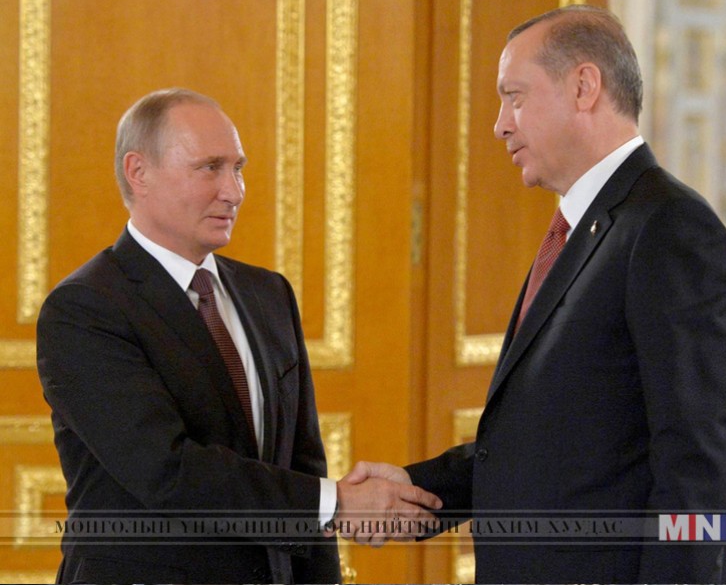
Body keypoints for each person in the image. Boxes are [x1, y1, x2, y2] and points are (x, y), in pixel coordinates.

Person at [342, 5, 726, 584]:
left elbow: (697, 462)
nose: (500, 125)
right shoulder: (584, 228)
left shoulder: (670, 228)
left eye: (515, 97)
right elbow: (559, 440)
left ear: (584, 87)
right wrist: (419, 489)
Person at [37, 88, 441, 584]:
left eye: (238, 168)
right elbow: (167, 471)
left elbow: (302, 465)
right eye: (210, 168)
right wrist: (337, 502)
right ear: (138, 172)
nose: (233, 191)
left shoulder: (268, 294)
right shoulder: (84, 308)